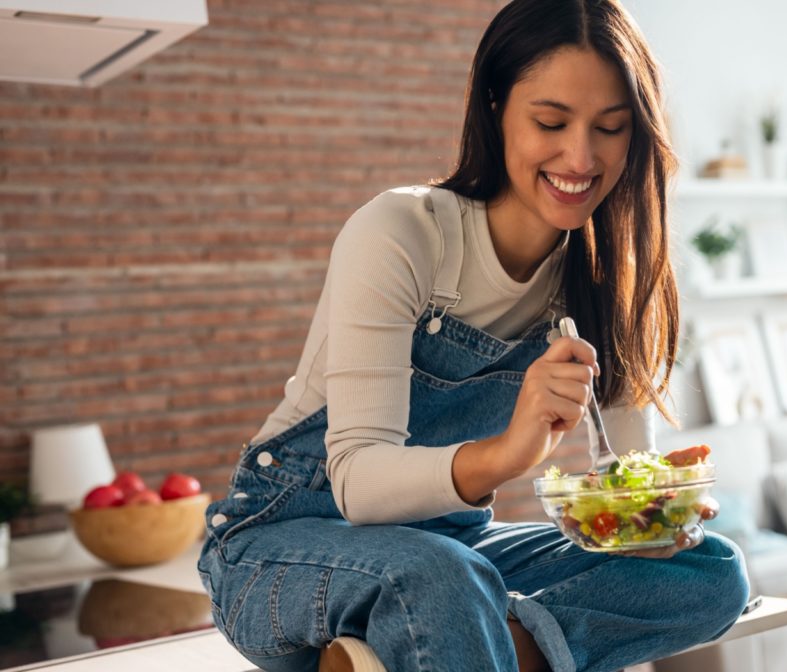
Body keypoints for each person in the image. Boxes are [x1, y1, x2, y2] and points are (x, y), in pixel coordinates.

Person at [197, 1, 749, 670]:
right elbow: (359, 485)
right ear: (494, 108)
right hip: (282, 548)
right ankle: (436, 637)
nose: (581, 155)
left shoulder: (601, 274)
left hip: (449, 551)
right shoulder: (402, 233)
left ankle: (409, 651)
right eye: (551, 122)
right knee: (439, 580)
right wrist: (510, 452)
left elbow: (626, 480)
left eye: (611, 127)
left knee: (710, 569)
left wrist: (660, 510)